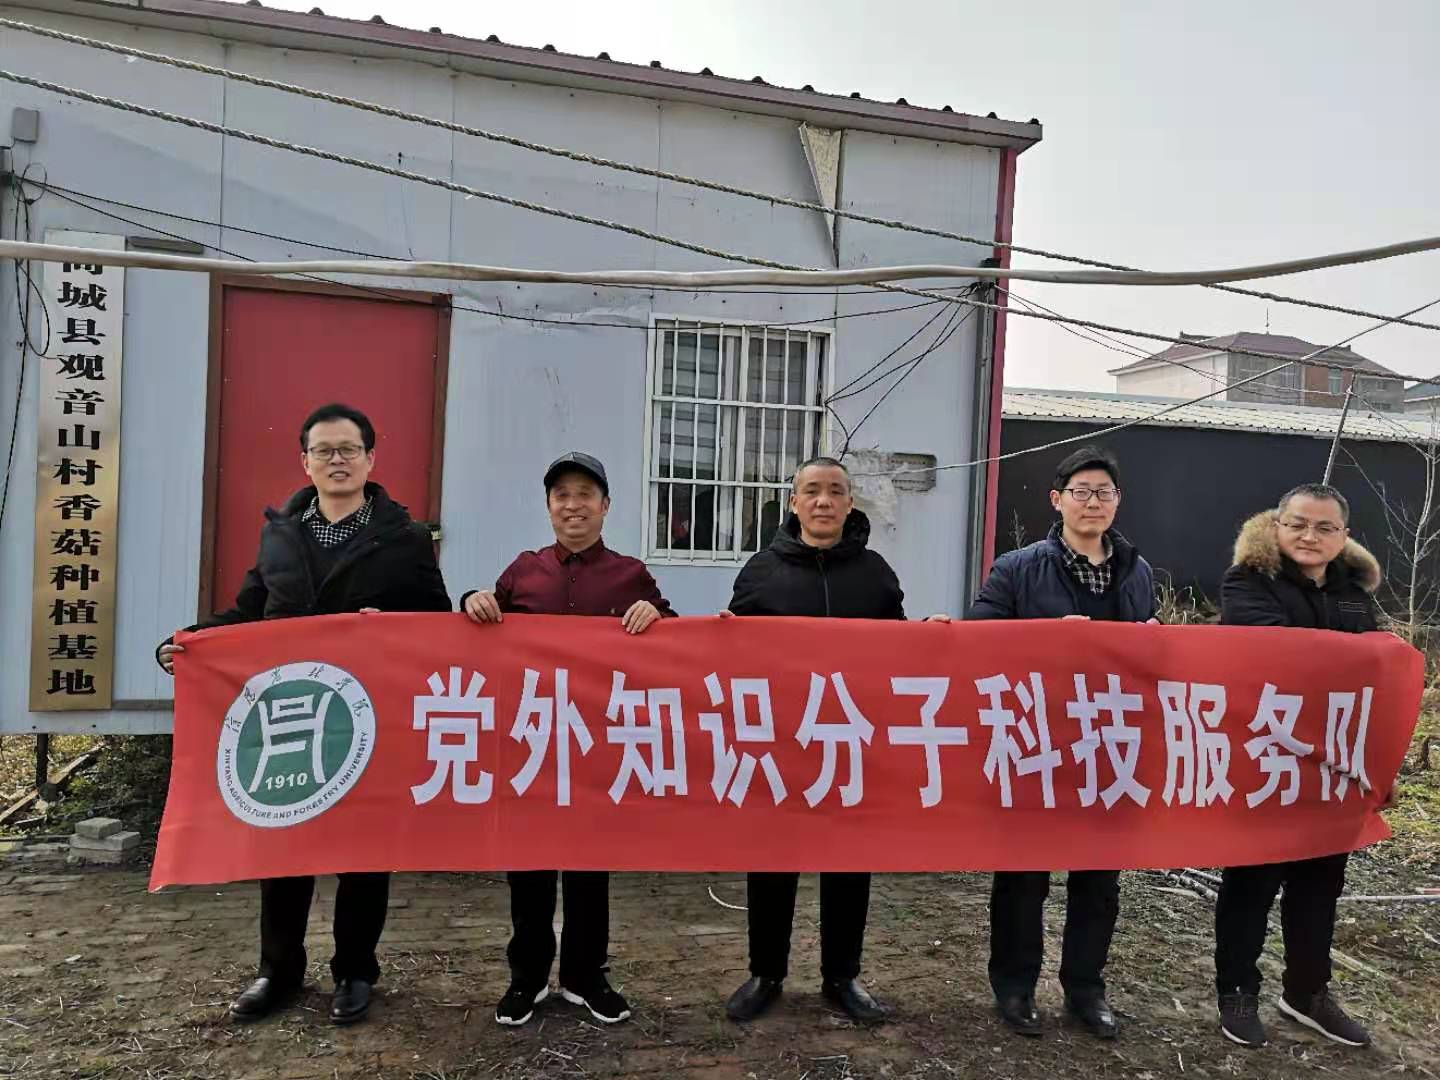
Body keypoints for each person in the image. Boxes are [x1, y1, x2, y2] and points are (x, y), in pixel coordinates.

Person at [156, 402, 451, 1026]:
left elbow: (436, 620)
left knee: (363, 849)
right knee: (283, 841)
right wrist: (192, 641)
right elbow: (250, 609)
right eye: (324, 450)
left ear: (371, 459)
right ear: (305, 462)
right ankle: (279, 970)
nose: (336, 460)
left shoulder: (405, 539)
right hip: (291, 709)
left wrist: (390, 626)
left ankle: (355, 971)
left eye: (349, 449)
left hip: (369, 713)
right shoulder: (281, 535)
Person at [721, 455, 948, 1025]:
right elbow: (734, 651)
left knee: (849, 863)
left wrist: (930, 641)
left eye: (835, 492)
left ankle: (842, 976)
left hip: (851, 742)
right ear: (793, 502)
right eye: (812, 491)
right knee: (772, 862)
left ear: (850, 504)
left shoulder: (875, 573)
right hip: (780, 743)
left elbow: (897, 649)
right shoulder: (761, 572)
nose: (823, 501)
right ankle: (766, 973)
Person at [462, 451, 675, 1028]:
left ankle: (585, 977)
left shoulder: (630, 575)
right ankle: (527, 978)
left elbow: (675, 641)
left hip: (597, 747)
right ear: (549, 506)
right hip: (533, 744)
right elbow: (482, 628)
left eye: (585, 494)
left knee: (589, 870)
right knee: (529, 868)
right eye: (562, 495)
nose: (573, 505)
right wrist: (471, 600)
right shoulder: (524, 571)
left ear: (606, 506)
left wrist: (656, 615)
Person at [966, 445, 1155, 1039]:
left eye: (1104, 492)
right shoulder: (1018, 567)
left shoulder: (1138, 571)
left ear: (1118, 501)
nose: (1092, 502)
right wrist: (1045, 636)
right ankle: (1015, 987)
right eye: (1081, 492)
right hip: (1037, 739)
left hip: (1109, 742)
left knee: (1099, 878)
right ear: (1057, 500)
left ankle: (1085, 988)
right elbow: (979, 635)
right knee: (1023, 875)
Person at [1213, 483, 1380, 1050]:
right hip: (1264, 757)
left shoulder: (1354, 592)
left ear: (1344, 536)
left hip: (1331, 763)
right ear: (1277, 525)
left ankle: (1307, 992)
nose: (1310, 536)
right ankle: (1237, 991)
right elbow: (1275, 650)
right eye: (1298, 524)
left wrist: (1379, 765)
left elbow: (1377, 674)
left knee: (1320, 883)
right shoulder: (1247, 581)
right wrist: (1352, 655)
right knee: (1252, 880)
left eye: (1324, 527)